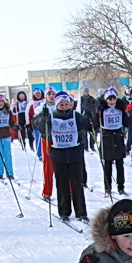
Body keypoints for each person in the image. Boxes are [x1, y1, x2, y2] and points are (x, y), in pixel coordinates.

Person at [34, 91, 91, 222]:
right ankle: (64, 212)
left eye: (66, 104)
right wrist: (42, 118)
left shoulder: (76, 116)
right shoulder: (51, 116)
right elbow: (41, 129)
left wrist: (90, 117)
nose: (64, 107)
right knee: (62, 184)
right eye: (61, 105)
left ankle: (81, 212)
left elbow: (88, 126)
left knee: (77, 184)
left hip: (75, 154)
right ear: (57, 105)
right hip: (58, 154)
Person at [96, 86, 131, 195]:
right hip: (106, 138)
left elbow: (127, 123)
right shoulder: (103, 109)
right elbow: (96, 123)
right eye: (109, 99)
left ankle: (121, 187)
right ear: (106, 100)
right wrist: (96, 113)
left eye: (113, 99)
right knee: (107, 165)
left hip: (118, 138)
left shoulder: (120, 109)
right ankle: (108, 188)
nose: (112, 101)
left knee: (120, 165)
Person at [27, 88, 45, 159]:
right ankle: (39, 153)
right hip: (36, 120)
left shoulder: (44, 100)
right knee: (38, 137)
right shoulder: (31, 102)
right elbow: (27, 112)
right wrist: (28, 123)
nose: (38, 95)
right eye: (36, 94)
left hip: (44, 119)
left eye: (39, 94)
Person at [80, 87, 97, 151]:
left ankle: (92, 146)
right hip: (84, 116)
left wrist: (93, 114)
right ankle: (85, 146)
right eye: (85, 92)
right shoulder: (81, 99)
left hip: (91, 116)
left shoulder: (91, 98)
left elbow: (94, 106)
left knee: (92, 132)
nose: (86, 93)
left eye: (87, 91)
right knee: (84, 133)